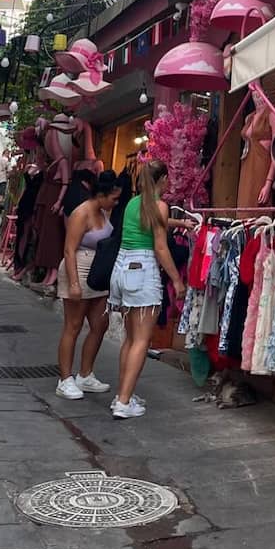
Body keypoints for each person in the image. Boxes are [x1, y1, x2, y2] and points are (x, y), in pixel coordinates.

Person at [108, 160, 185, 420]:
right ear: (162, 179)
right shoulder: (159, 206)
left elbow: (154, 219)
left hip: (122, 267)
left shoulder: (133, 203)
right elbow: (160, 248)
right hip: (143, 271)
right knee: (141, 341)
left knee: (130, 339)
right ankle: (123, 402)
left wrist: (181, 225)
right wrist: (177, 280)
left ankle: (123, 395)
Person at [55, 169, 121, 401]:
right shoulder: (81, 213)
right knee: (73, 326)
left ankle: (85, 373)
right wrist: (74, 283)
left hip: (98, 273)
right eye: (113, 198)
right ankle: (65, 379)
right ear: (101, 195)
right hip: (79, 269)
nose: (116, 202)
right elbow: (69, 249)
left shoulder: (103, 212)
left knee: (100, 324)